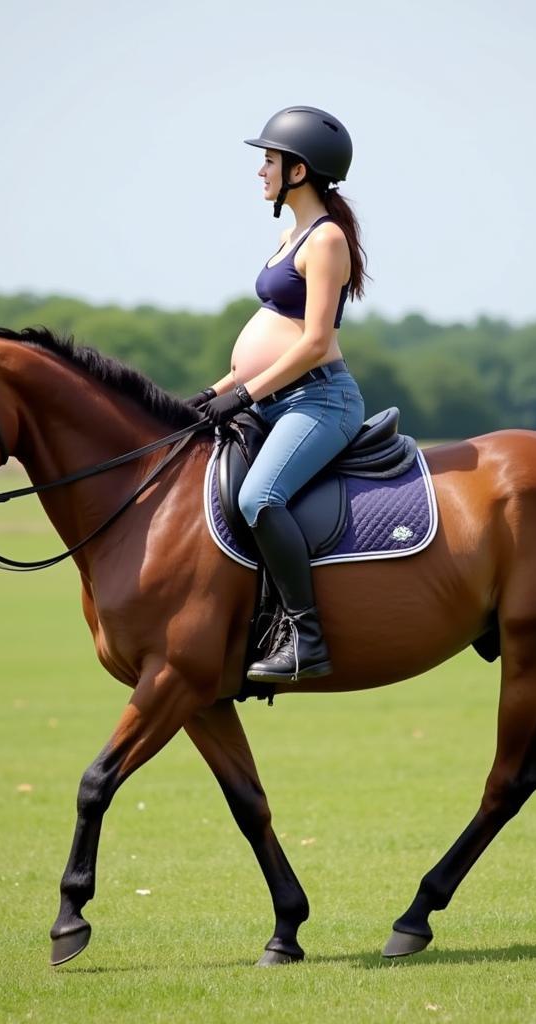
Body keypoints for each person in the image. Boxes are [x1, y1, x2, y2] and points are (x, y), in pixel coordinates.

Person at [187, 106, 368, 683]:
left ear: (299, 171)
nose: (260, 169)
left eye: (269, 159)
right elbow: (273, 332)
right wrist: (212, 392)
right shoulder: (290, 234)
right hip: (270, 400)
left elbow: (315, 342)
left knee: (259, 499)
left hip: (319, 402)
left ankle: (305, 638)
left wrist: (243, 395)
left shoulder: (327, 239)